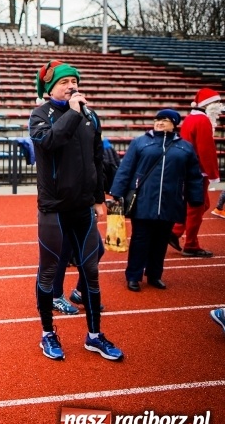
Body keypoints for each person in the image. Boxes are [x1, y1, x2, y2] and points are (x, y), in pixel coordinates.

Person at [30, 59, 123, 362]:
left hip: (83, 208)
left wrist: (99, 198)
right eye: (64, 82)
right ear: (49, 88)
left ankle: (94, 335)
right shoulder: (39, 115)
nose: (72, 86)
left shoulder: (91, 116)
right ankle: (47, 333)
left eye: (74, 82)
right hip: (54, 210)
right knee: (48, 272)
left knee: (92, 271)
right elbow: (51, 142)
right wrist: (72, 112)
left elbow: (97, 159)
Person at [110, 109, 203, 291]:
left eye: (164, 120)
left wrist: (196, 197)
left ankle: (154, 275)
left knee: (161, 242)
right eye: (157, 119)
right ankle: (133, 276)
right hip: (143, 200)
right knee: (140, 240)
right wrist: (117, 193)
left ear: (174, 123)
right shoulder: (140, 142)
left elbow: (194, 176)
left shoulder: (185, 147)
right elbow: (125, 168)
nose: (159, 123)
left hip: (170, 201)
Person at [169, 88, 221, 257]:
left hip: (189, 169)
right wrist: (213, 173)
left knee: (199, 205)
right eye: (216, 103)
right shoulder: (203, 121)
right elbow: (206, 150)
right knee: (197, 207)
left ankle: (176, 232)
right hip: (197, 171)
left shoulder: (192, 118)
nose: (219, 107)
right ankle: (190, 244)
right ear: (209, 105)